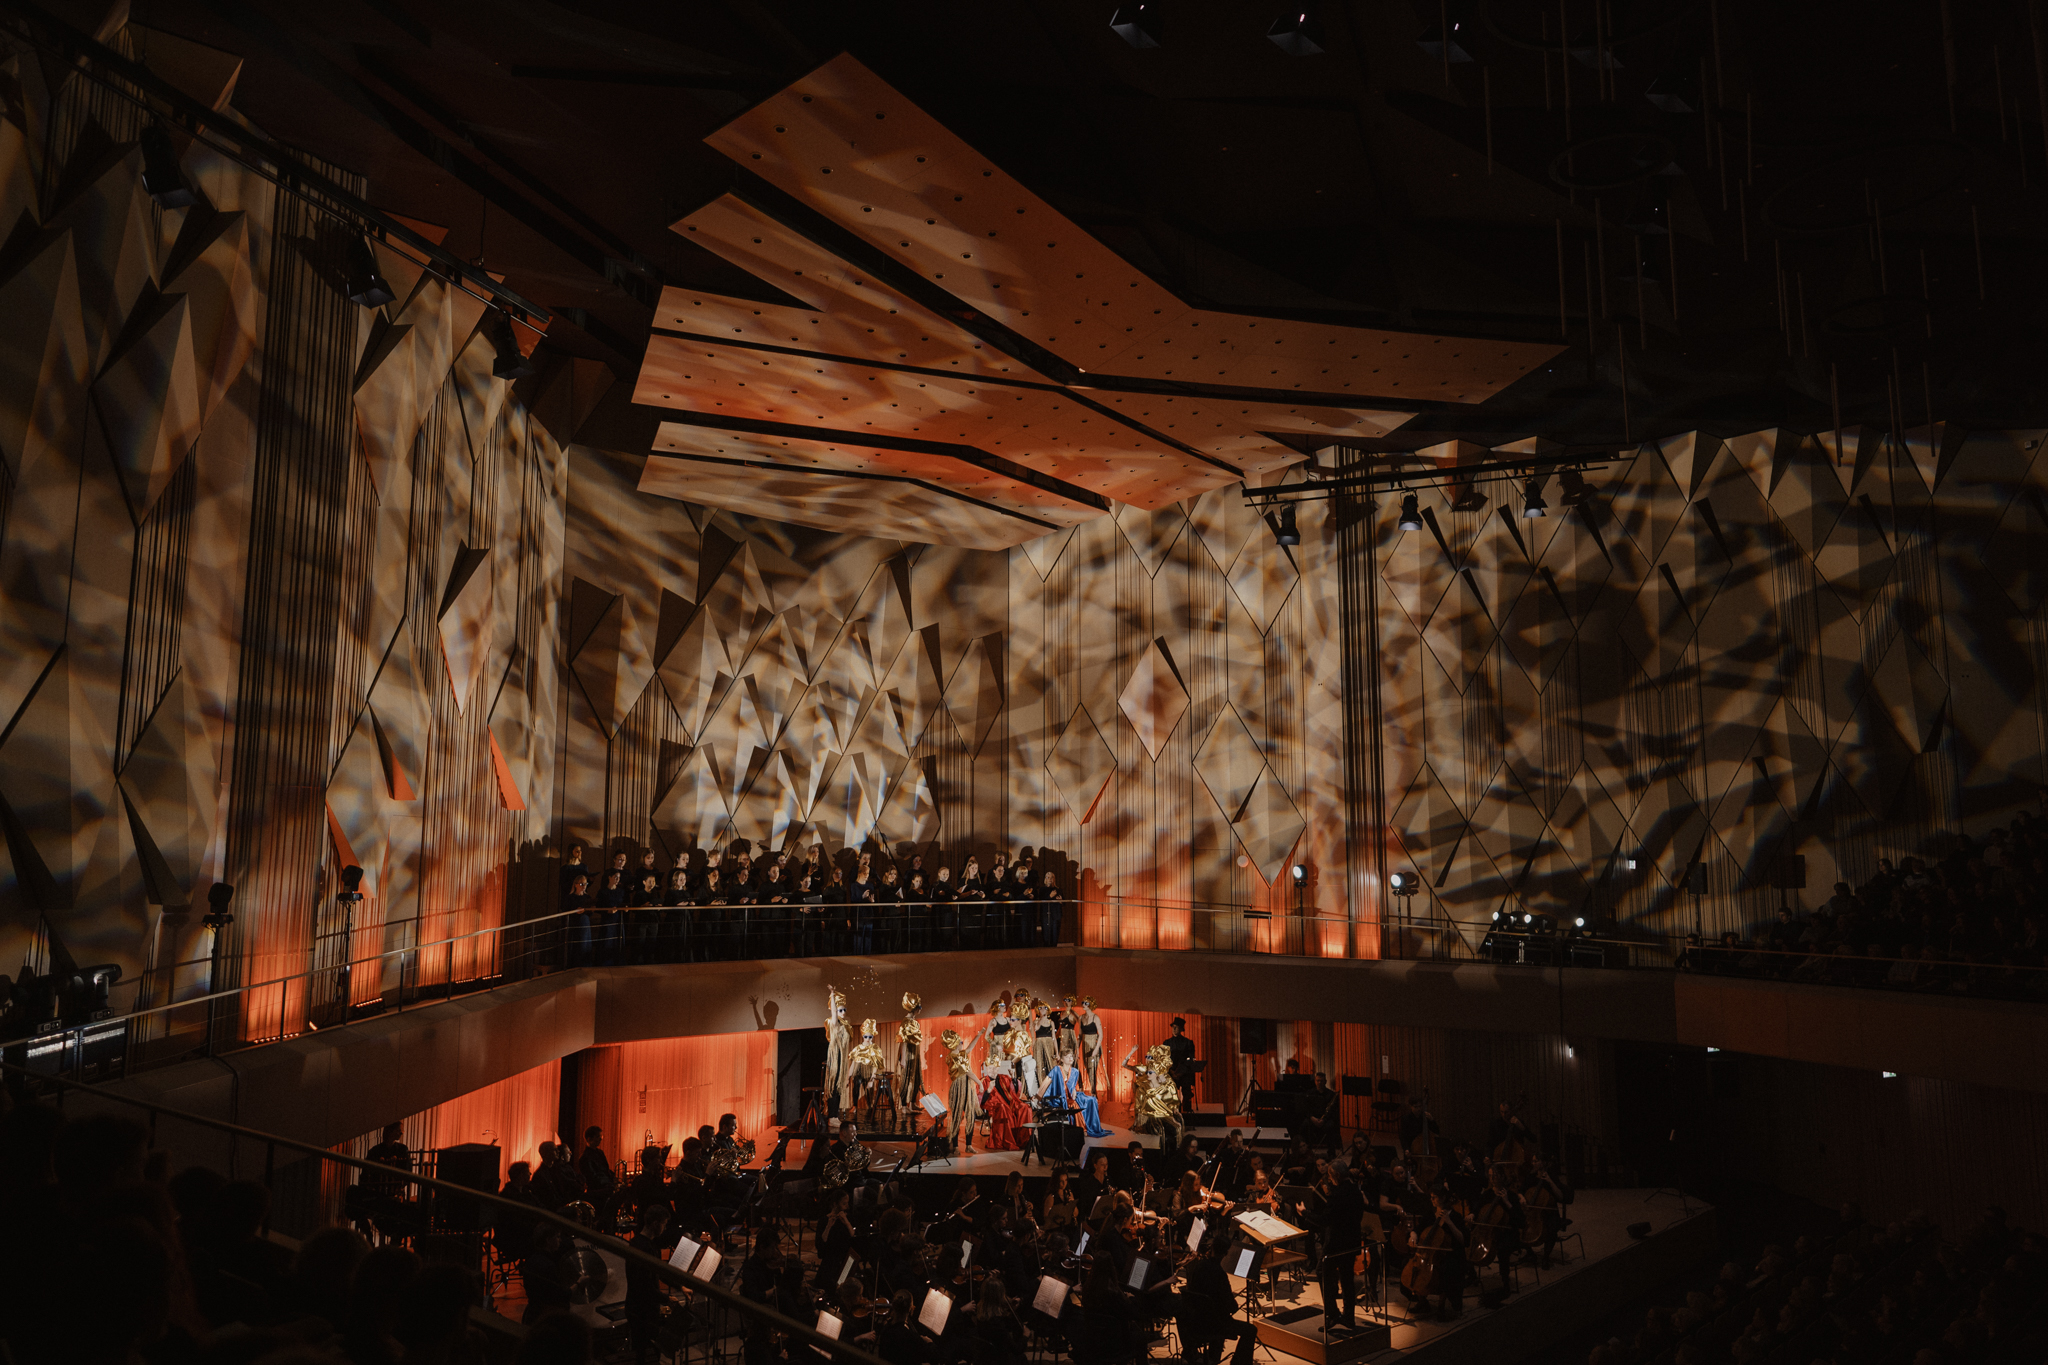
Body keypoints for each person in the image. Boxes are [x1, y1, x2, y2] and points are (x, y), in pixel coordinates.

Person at [1318, 1164, 1365, 1330]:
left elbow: (1325, 1220)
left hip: (1335, 1244)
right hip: (1352, 1241)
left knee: (1323, 1273)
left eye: (1331, 1176)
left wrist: (1304, 1213)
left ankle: (1333, 1314)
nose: (1330, 1180)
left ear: (1336, 1175)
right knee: (1347, 1280)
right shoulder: (1356, 1191)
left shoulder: (1337, 1195)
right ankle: (1349, 1318)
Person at [1042, 1049, 1108, 1138]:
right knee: (1074, 1104)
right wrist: (1038, 1097)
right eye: (1067, 1057)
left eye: (1071, 1056)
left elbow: (1073, 1087)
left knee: (1092, 1100)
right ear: (1062, 1059)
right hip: (1060, 1097)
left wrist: (1074, 1095)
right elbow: (1046, 1082)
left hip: (1072, 1095)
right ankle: (1082, 1129)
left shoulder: (1075, 1071)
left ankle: (1093, 1127)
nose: (1070, 1058)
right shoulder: (1056, 1069)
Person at [579, 1126, 618, 1215]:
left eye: (601, 1136)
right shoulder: (584, 1157)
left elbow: (606, 1169)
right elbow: (592, 1176)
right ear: (589, 1139)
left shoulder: (600, 1153)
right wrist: (608, 1183)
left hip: (605, 1186)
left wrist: (614, 1177)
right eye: (598, 1136)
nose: (601, 1139)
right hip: (597, 1190)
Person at [1165, 1017, 1198, 1115]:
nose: (1174, 1029)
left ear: (1181, 1029)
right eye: (1173, 1027)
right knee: (1168, 1083)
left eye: (1176, 1027)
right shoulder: (1167, 1043)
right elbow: (1164, 1060)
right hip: (1171, 1072)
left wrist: (1181, 1072)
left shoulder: (1188, 1043)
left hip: (1184, 1072)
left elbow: (1190, 1059)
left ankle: (1186, 1107)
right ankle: (1174, 1107)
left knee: (1187, 1083)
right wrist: (1172, 1072)